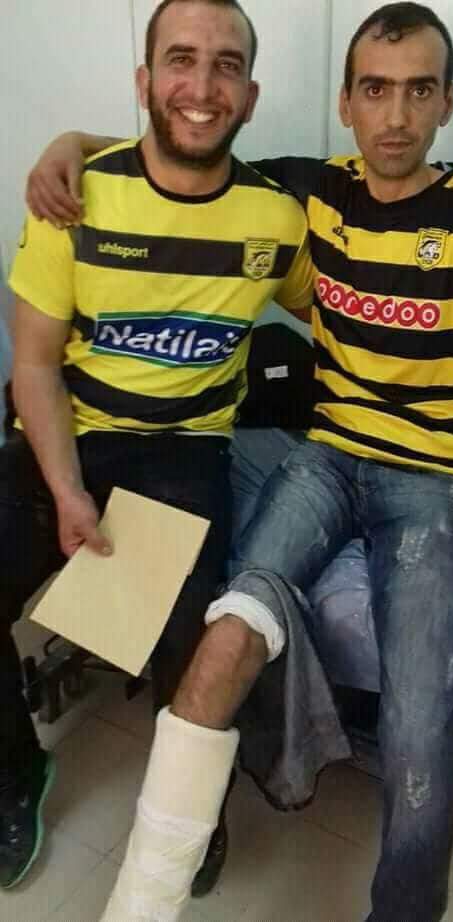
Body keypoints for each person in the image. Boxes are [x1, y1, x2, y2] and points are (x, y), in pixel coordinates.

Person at [26, 2, 453, 921]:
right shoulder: (306, 192)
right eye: (375, 90)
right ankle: (143, 903)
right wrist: (68, 144)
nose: (395, 117)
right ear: (345, 103)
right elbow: (181, 141)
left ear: (448, 102)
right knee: (227, 632)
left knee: (418, 732)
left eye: (419, 91)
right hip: (325, 459)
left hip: (436, 482)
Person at [1, 0, 315, 901]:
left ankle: (190, 807)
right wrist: (68, 492)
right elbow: (32, 364)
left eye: (226, 66)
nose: (202, 85)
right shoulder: (73, 196)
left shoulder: (275, 219)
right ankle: (16, 773)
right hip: (66, 434)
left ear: (250, 95)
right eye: (181, 60)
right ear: (145, 81)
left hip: (185, 449)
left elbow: (333, 312)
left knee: (191, 635)